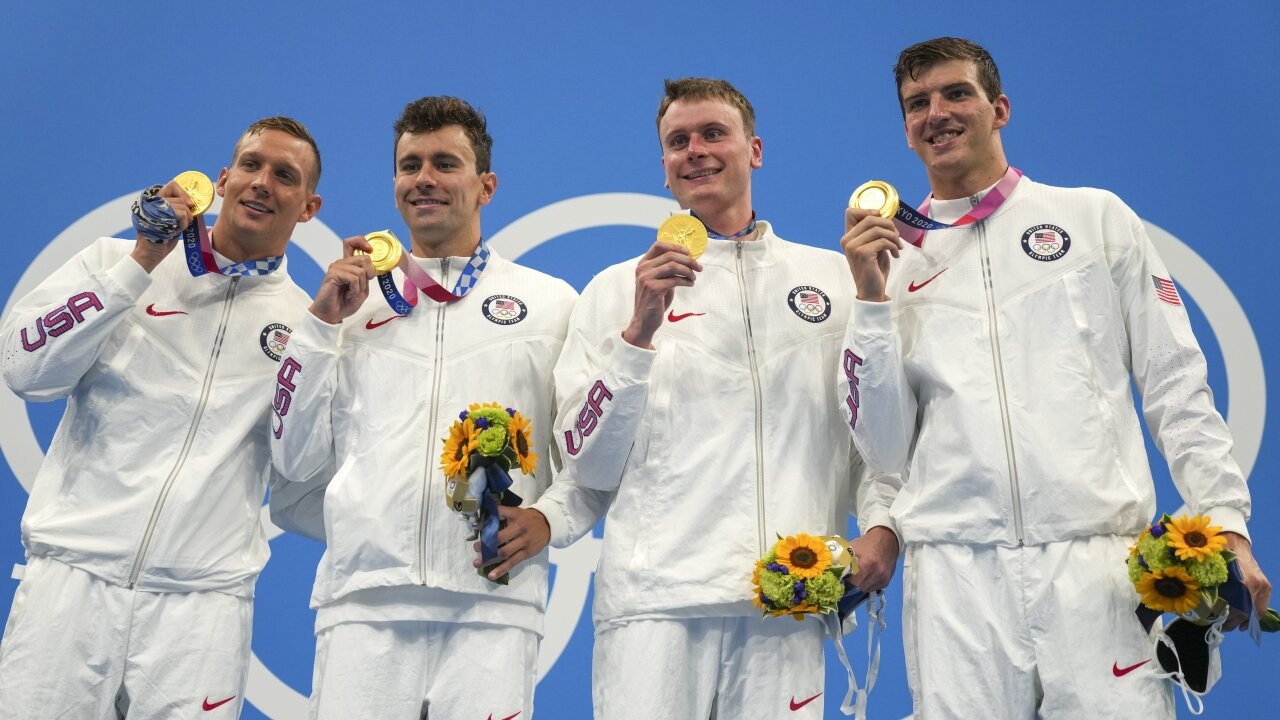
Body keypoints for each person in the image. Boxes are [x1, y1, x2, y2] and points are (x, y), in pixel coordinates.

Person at [839, 36, 1272, 718]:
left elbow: (1176, 385)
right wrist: (867, 301)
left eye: (957, 93)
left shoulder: (1093, 218)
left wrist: (1226, 522)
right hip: (957, 573)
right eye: (917, 103)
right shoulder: (887, 263)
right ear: (905, 128)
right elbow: (883, 449)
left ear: (999, 108)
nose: (937, 113)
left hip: (1096, 566)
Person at [549, 77, 894, 720]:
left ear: (754, 149)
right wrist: (639, 334)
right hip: (654, 608)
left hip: (786, 601)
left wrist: (882, 525)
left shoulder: (834, 280)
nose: (696, 150)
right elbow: (586, 463)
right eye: (678, 141)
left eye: (714, 133)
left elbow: (874, 442)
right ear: (663, 169)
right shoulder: (612, 291)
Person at [0, 117, 324, 717]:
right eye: (250, 166)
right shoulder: (116, 261)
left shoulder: (309, 327)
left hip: (201, 610)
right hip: (72, 582)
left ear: (308, 207)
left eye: (285, 176)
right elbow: (24, 370)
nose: (261, 183)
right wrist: (140, 263)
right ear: (222, 179)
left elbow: (305, 467)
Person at [269, 96, 579, 719]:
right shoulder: (345, 307)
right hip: (363, 605)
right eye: (410, 165)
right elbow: (292, 458)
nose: (425, 179)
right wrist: (319, 329)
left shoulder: (550, 305)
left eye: (445, 163)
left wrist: (551, 520)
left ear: (485, 185)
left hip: (494, 604)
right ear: (394, 185)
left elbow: (585, 455)